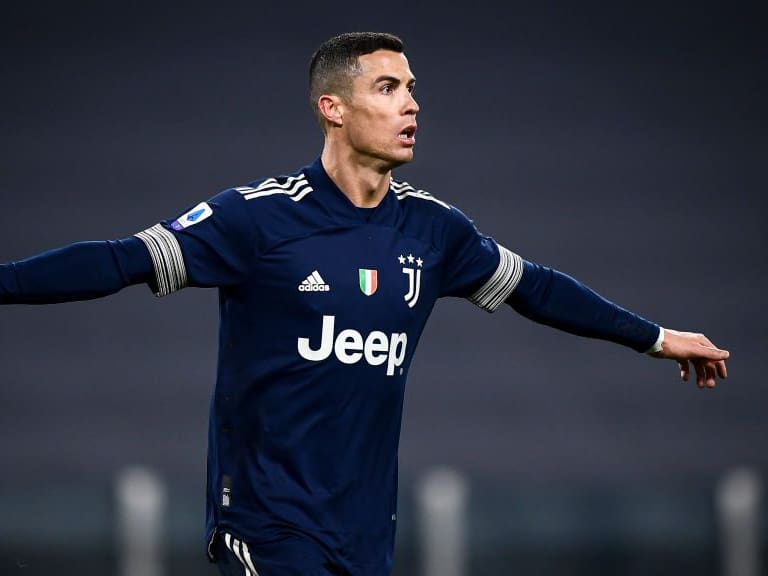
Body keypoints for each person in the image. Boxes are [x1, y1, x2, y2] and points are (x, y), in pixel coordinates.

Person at [0, 32, 728, 576]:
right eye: (387, 88)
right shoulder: (257, 219)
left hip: (366, 533)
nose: (411, 103)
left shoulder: (435, 231)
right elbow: (121, 259)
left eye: (411, 88)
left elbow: (536, 288)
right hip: (269, 524)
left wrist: (657, 337)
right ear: (333, 109)